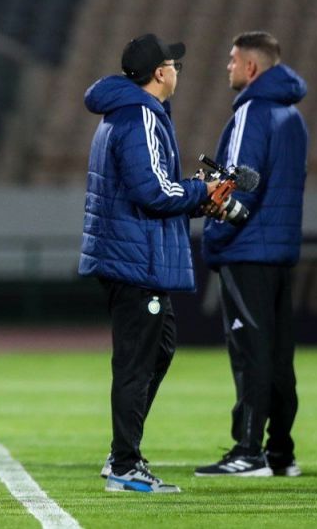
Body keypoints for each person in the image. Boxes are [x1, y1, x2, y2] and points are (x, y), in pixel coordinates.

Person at [79, 34, 220, 493]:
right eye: (173, 64)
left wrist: (194, 195)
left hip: (133, 254)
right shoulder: (139, 115)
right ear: (160, 73)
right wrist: (201, 191)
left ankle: (122, 452)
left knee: (158, 349)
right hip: (136, 259)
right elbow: (153, 192)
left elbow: (148, 188)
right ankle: (124, 464)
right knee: (137, 362)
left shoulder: (127, 112)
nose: (177, 70)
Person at [195, 32, 307, 478]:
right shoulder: (292, 116)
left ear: (251, 68)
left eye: (232, 59)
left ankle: (248, 451)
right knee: (279, 355)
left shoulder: (251, 112)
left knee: (251, 352)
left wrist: (215, 227)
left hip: (246, 248)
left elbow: (240, 187)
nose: (228, 67)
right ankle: (280, 452)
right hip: (280, 248)